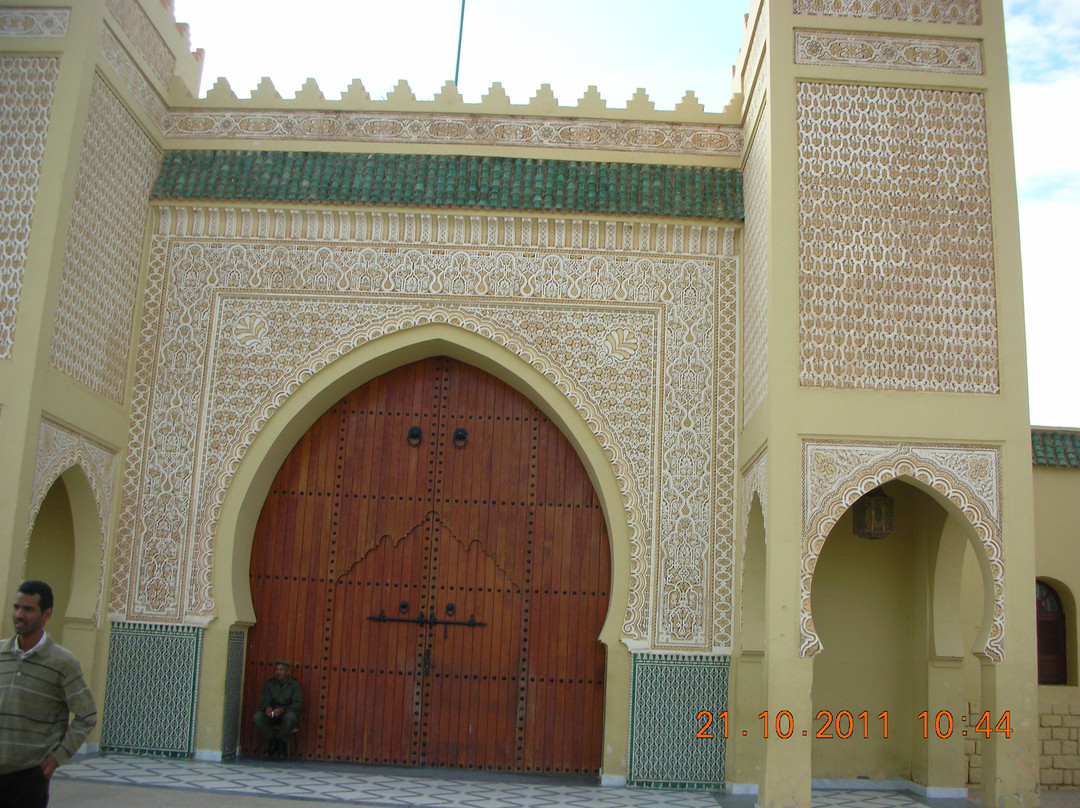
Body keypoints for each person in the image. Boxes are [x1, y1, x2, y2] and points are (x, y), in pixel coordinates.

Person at [1, 580, 97, 808]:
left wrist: (57, 757)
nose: (19, 615)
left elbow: (87, 715)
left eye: (28, 609)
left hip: (27, 780)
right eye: (16, 607)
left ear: (46, 614)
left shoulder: (62, 662)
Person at [252, 659, 301, 757]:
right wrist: (267, 708)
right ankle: (272, 741)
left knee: (290, 717)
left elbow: (297, 704)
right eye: (276, 670)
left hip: (287, 714)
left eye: (281, 670)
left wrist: (283, 710)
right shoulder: (270, 684)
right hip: (273, 714)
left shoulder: (294, 685)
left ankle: (282, 743)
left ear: (287, 672)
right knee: (257, 716)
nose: (278, 672)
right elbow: (264, 701)